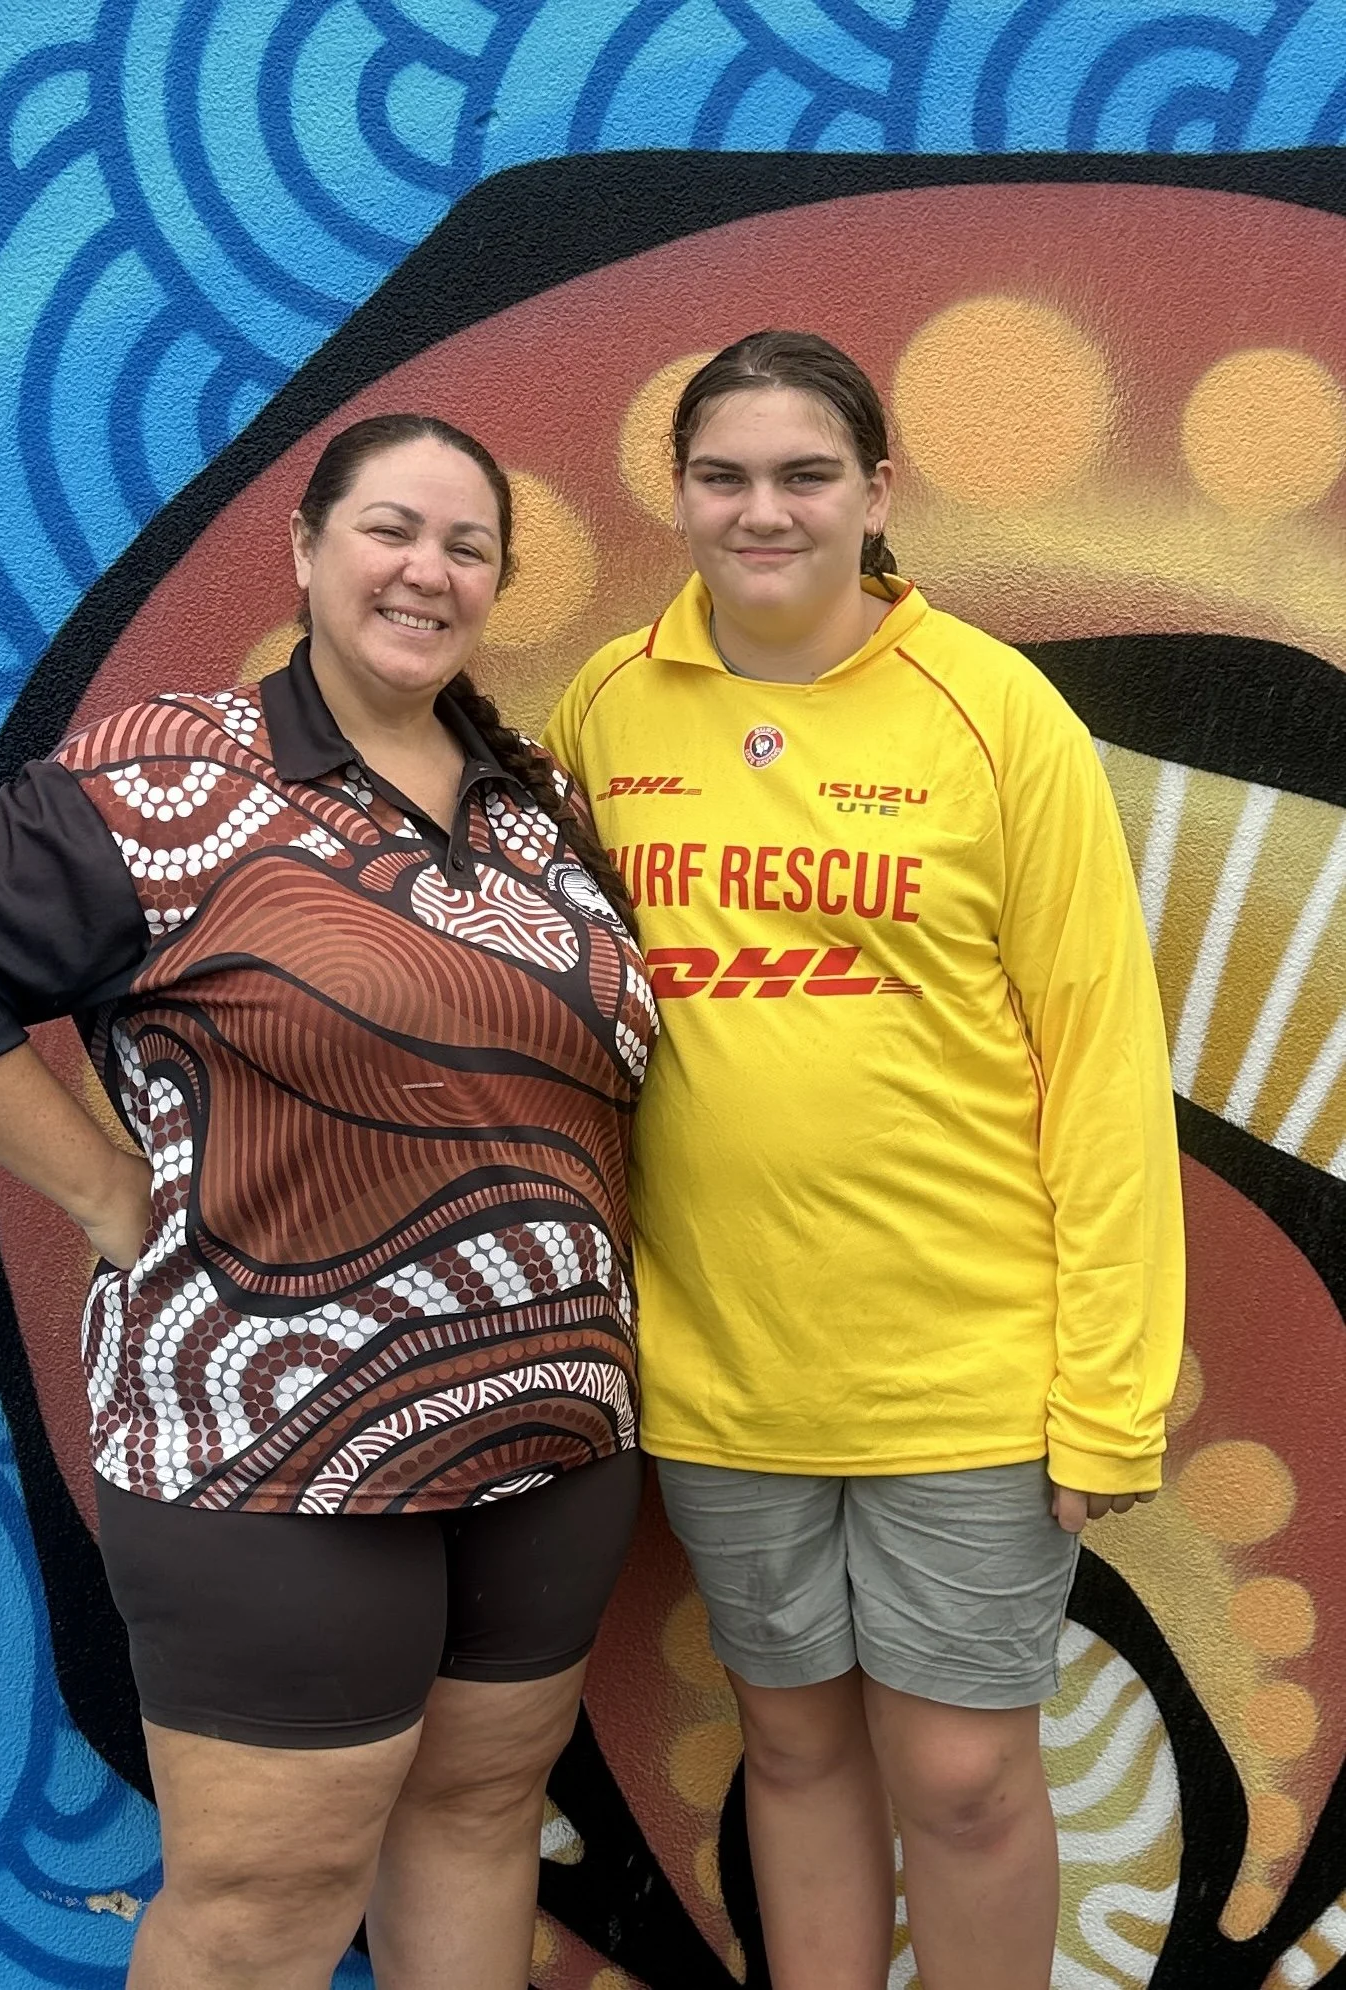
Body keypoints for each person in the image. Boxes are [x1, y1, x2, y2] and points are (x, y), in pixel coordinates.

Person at [0, 414, 656, 1990]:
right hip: (273, 1445)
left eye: (467, 545)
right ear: (304, 547)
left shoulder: (531, 798)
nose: (427, 570)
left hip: (554, 1434)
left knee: (485, 1818)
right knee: (269, 1897)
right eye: (389, 529)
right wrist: (99, 1187)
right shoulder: (170, 773)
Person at [544, 331, 1184, 1990]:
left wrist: (1107, 1385)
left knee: (964, 1776)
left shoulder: (994, 716)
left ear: (878, 490)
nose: (764, 511)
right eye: (725, 476)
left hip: (965, 1363)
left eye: (806, 474)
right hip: (722, 1364)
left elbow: (1103, 1066)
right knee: (794, 1746)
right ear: (676, 493)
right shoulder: (608, 708)